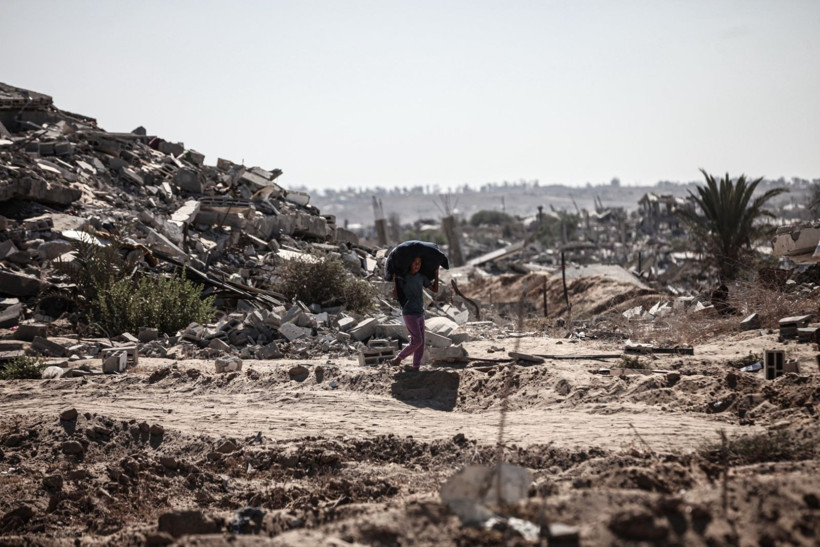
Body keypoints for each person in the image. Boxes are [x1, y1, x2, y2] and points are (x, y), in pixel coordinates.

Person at [390, 256, 439, 372]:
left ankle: (416, 367)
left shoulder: (421, 277)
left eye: (419, 263)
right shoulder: (403, 277)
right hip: (409, 313)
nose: (417, 266)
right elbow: (396, 296)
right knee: (417, 341)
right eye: (415, 263)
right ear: (409, 264)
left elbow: (435, 290)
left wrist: (436, 275)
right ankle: (398, 359)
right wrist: (395, 281)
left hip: (420, 312)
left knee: (420, 344)